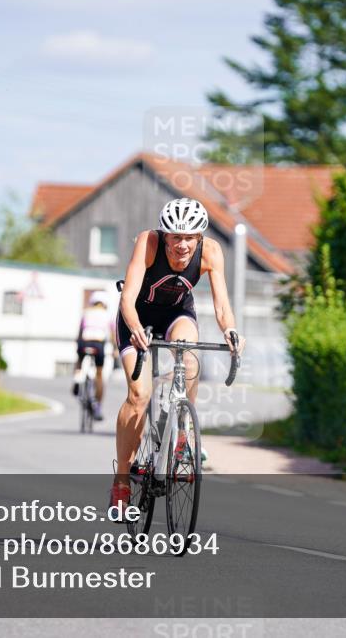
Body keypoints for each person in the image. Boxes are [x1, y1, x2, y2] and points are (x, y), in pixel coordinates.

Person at [110, 198, 245, 514]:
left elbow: (222, 305)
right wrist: (135, 328)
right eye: (175, 237)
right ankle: (121, 483)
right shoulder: (149, 242)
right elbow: (127, 299)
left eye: (189, 237)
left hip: (176, 314)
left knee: (189, 357)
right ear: (164, 235)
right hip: (137, 317)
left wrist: (230, 330)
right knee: (139, 395)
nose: (182, 245)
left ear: (199, 237)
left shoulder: (210, 252)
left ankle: (182, 437)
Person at [72, 292, 112, 420]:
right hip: (98, 344)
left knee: (79, 361)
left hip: (84, 342)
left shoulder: (86, 312)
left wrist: (78, 343)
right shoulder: (107, 315)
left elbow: (80, 331)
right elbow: (112, 336)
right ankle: (98, 407)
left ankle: (77, 380)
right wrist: (116, 349)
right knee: (99, 374)